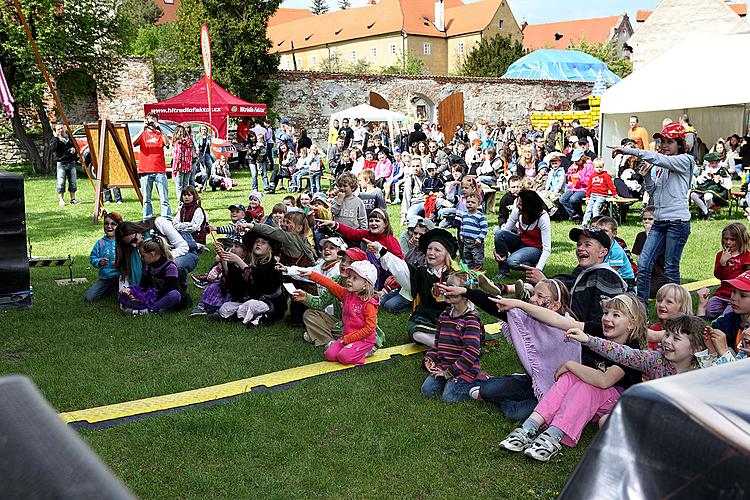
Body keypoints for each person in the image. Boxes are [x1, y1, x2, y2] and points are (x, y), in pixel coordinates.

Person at [498, 294, 646, 462]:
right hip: (595, 400)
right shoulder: (598, 331)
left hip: (619, 404)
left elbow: (604, 381)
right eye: (606, 312)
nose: (607, 318)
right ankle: (530, 427)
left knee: (586, 384)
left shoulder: (632, 351)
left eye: (616, 315)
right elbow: (556, 320)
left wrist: (570, 364)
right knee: (570, 377)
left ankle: (553, 436)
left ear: (631, 324)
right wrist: (518, 304)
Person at [466, 279, 580, 422]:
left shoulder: (569, 331)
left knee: (514, 414)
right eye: (533, 294)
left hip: (555, 393)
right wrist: (466, 292)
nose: (532, 299)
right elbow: (495, 306)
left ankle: (510, 394)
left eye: (539, 296)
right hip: (532, 380)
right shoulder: (528, 318)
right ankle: (503, 383)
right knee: (487, 391)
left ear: (555, 305)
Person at [612, 122, 695, 307]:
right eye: (662, 141)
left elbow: (659, 158)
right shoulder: (659, 164)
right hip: (660, 221)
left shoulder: (685, 160)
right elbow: (652, 191)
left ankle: (676, 311)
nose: (664, 144)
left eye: (669, 141)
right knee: (643, 265)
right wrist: (647, 175)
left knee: (671, 268)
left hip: (678, 222)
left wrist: (629, 150)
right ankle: (642, 308)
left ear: (680, 144)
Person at [369, 228, 457, 347]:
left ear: (447, 254)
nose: (431, 253)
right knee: (416, 333)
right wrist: (382, 251)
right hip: (425, 315)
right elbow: (401, 269)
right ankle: (449, 345)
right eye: (429, 249)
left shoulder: (454, 275)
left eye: (437, 250)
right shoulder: (421, 272)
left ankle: (446, 341)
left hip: (449, 315)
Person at [299, 260, 379, 365]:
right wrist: (311, 274)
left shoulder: (369, 304)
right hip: (346, 337)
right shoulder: (346, 294)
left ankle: (367, 351)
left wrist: (348, 339)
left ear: (365, 284)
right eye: (349, 276)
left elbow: (369, 328)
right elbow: (330, 284)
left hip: (364, 340)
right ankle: (351, 349)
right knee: (329, 355)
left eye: (354, 278)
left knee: (344, 357)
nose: (349, 280)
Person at [421, 271, 484, 403]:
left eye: (451, 286)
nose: (445, 290)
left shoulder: (470, 319)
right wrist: (430, 357)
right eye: (445, 285)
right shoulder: (444, 315)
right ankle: (450, 381)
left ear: (465, 294)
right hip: (444, 367)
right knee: (427, 390)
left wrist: (449, 373)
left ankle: (480, 381)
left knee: (449, 398)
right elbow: (437, 344)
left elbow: (471, 352)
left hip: (464, 370)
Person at [118, 236, 191, 315]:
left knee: (174, 295)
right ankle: (156, 309)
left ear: (152, 254)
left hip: (165, 296)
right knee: (121, 296)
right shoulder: (148, 265)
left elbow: (169, 289)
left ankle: (145, 311)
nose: (141, 258)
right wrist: (132, 293)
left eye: (143, 256)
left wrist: (145, 299)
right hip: (151, 299)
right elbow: (144, 285)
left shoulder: (170, 267)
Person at [494, 190, 551, 280]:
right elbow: (505, 231)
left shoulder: (542, 217)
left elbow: (547, 249)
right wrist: (495, 250)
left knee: (512, 261)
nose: (517, 206)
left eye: (520, 204)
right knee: (499, 233)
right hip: (521, 243)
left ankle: (532, 265)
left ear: (529, 206)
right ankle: (503, 272)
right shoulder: (517, 211)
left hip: (535, 249)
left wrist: (538, 269)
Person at [702, 223, 750, 320]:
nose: (728, 242)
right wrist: (722, 263)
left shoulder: (747, 255)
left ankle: (726, 315)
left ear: (741, 239)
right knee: (709, 312)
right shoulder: (721, 255)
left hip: (737, 295)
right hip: (722, 293)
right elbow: (719, 275)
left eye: (732, 239)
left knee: (727, 317)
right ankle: (723, 311)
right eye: (726, 238)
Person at [134, 112, 172, 220]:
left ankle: (166, 218)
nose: (152, 124)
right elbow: (132, 142)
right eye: (150, 121)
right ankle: (147, 218)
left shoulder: (160, 134)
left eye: (153, 121)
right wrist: (143, 128)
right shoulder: (143, 134)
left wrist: (161, 129)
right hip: (145, 170)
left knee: (164, 198)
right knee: (146, 198)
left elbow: (168, 144)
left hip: (159, 170)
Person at [84, 212, 122, 302]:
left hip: (121, 277)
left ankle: (115, 289)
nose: (109, 226)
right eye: (106, 223)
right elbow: (93, 257)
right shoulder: (100, 243)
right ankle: (108, 289)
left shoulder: (122, 242)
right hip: (105, 278)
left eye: (113, 224)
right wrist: (98, 261)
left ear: (119, 226)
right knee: (88, 298)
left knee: (123, 299)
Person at [645, 283, 693, 350]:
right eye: (659, 300)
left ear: (682, 308)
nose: (661, 305)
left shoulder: (687, 329)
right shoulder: (654, 328)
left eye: (669, 302)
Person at [594, 217, 635, 291]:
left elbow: (612, 271)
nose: (601, 233)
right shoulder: (600, 245)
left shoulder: (616, 250)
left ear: (614, 233)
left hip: (625, 279)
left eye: (605, 231)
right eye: (599, 230)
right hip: (610, 275)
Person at [690, 152, 732, 219]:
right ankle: (706, 212)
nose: (714, 164)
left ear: (718, 162)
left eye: (716, 162)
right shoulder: (705, 169)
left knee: (708, 196)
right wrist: (705, 176)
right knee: (693, 195)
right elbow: (698, 181)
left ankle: (706, 213)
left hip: (717, 189)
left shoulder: (722, 170)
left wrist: (720, 179)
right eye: (712, 163)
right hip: (704, 187)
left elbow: (729, 184)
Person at [558, 149, 592, 223]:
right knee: (562, 199)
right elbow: (568, 175)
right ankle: (575, 215)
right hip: (574, 187)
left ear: (582, 158)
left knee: (573, 199)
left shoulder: (589, 165)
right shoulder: (574, 165)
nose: (576, 162)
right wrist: (572, 173)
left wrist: (580, 178)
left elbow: (590, 180)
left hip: (584, 188)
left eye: (577, 160)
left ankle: (579, 216)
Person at [50, 123, 80, 206]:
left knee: (73, 181)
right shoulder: (55, 139)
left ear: (65, 128)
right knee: (61, 182)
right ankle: (61, 200)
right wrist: (56, 137)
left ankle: (73, 199)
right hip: (61, 163)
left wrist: (74, 149)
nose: (60, 130)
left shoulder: (70, 137)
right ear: (56, 131)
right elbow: (53, 148)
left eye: (61, 128)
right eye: (58, 129)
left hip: (71, 162)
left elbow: (77, 147)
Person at [172, 186, 207, 253]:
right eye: (184, 195)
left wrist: (181, 227)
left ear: (194, 196)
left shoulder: (198, 209)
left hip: (196, 238)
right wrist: (186, 225)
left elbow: (194, 227)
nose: (186, 197)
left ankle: (198, 247)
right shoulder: (182, 208)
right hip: (183, 235)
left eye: (189, 195)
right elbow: (175, 224)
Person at [582, 159, 616, 227]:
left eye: (600, 167)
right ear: (594, 167)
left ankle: (596, 224)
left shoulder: (606, 175)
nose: (599, 169)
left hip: (601, 195)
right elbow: (589, 187)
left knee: (595, 208)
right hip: (593, 195)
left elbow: (610, 185)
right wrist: (587, 197)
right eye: (597, 167)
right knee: (588, 209)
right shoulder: (592, 176)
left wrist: (614, 194)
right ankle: (585, 223)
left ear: (603, 167)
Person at [460, 193, 488, 271]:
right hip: (466, 241)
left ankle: (479, 272)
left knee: (477, 257)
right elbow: (462, 226)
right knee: (467, 257)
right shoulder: (464, 215)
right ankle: (469, 271)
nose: (470, 204)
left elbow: (484, 228)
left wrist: (479, 239)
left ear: (478, 204)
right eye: (468, 202)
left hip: (476, 242)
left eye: (473, 202)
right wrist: (461, 235)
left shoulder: (480, 216)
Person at [171, 125, 193, 203]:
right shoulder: (189, 142)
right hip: (188, 166)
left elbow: (177, 157)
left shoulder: (178, 143)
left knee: (179, 187)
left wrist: (174, 170)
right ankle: (186, 201)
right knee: (185, 186)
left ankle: (181, 203)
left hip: (180, 167)